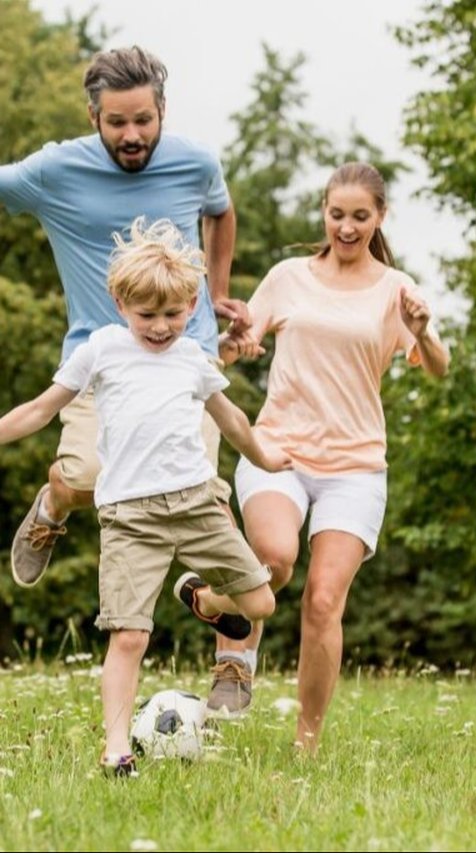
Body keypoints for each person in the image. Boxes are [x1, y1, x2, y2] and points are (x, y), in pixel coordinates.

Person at [0, 217, 292, 776]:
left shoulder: (193, 360)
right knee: (129, 634)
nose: (161, 327)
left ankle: (205, 601)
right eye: (147, 315)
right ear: (118, 303)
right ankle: (115, 751)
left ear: (192, 306)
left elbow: (230, 420)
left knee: (261, 604)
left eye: (174, 314)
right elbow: (40, 408)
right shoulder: (101, 350)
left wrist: (265, 458)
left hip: (197, 505)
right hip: (130, 519)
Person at [215, 161, 450, 749]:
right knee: (273, 555)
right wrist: (237, 345)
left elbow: (440, 366)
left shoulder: (397, 291)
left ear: (380, 217)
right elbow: (239, 342)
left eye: (360, 217)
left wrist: (420, 332)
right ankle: (233, 648)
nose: (346, 227)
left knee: (323, 600)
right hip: (280, 450)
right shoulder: (289, 276)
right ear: (324, 211)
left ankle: (307, 742)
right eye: (336, 214)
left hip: (356, 467)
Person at [0, 45, 247, 590]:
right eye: (117, 123)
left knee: (202, 495)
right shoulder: (53, 170)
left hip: (188, 354)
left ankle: (233, 662)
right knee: (88, 477)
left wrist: (218, 290)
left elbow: (221, 209)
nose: (132, 134)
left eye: (143, 119)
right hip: (100, 362)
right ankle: (55, 502)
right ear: (94, 118)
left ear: (162, 111)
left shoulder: (196, 162)